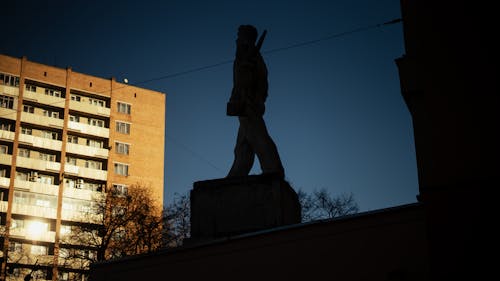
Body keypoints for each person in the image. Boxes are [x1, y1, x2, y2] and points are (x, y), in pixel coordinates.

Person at [226, 25, 284, 178]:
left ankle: (273, 169)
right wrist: (234, 98)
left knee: (258, 137)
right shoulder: (242, 56)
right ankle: (237, 173)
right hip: (243, 105)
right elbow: (237, 83)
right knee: (243, 146)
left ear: (247, 38)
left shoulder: (254, 58)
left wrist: (257, 100)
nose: (236, 39)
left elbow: (262, 83)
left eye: (239, 36)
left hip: (249, 104)